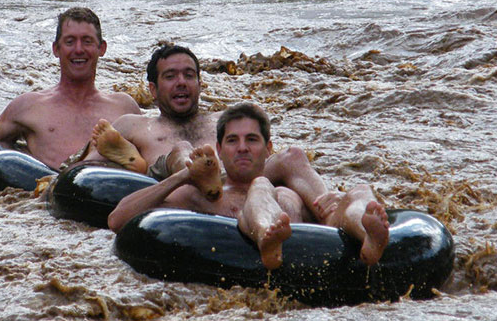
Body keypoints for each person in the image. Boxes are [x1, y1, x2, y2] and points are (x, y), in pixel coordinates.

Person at [107, 103, 390, 270]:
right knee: (262, 186)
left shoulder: (292, 188)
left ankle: (369, 236)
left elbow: (325, 203)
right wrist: (183, 176)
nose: (242, 149)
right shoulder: (200, 196)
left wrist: (336, 198)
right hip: (246, 252)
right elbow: (117, 219)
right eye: (232, 141)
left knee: (360, 191)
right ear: (219, 149)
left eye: (252, 140)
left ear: (268, 148)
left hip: (311, 245)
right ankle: (267, 233)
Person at [0, 7, 141, 170]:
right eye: (69, 41)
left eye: (87, 41)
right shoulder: (29, 106)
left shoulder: (123, 108)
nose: (78, 49)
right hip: (45, 192)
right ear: (56, 49)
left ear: (102, 48)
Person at [81, 44, 222, 194]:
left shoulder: (224, 122)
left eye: (189, 75)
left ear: (199, 85)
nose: (181, 82)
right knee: (182, 149)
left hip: (225, 195)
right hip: (163, 188)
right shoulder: (133, 126)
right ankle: (190, 173)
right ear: (153, 90)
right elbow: (83, 174)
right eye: (170, 76)